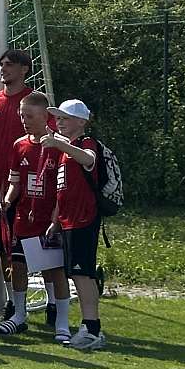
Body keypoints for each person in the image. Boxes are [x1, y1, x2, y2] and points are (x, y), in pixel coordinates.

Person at [0, 48, 37, 323]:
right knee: (2, 246)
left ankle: (52, 302)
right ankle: (14, 303)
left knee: (35, 246)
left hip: (29, 186)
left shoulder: (34, 101)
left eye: (10, 64)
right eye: (2, 64)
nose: (3, 69)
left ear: (24, 69)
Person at [0, 91, 66, 338]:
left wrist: (56, 218)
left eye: (29, 116)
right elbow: (15, 182)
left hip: (48, 219)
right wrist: (8, 200)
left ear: (45, 116)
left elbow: (63, 187)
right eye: (21, 116)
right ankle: (19, 314)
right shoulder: (20, 145)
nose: (24, 121)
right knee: (18, 265)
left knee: (53, 268)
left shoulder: (58, 145)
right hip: (24, 217)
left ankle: (60, 318)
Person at [48, 99, 106, 351]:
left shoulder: (85, 143)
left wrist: (60, 143)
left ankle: (91, 329)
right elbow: (64, 190)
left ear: (81, 122)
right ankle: (90, 326)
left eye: (65, 118)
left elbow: (88, 158)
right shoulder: (67, 149)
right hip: (69, 220)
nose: (60, 122)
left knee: (83, 274)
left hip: (83, 218)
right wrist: (56, 221)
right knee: (78, 274)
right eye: (58, 118)